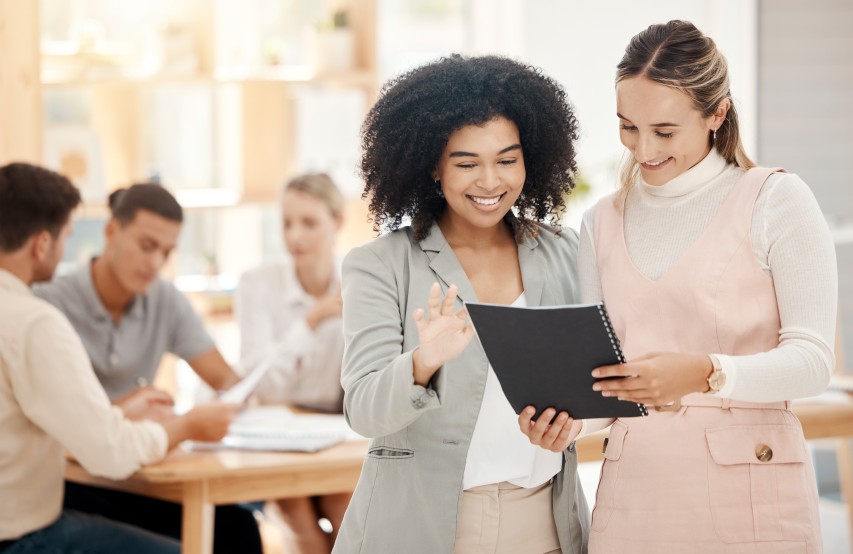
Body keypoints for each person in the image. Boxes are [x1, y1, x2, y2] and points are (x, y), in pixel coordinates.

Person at [519, 20, 836, 553]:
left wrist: (707, 373)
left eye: (665, 131)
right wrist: (568, 424)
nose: (643, 150)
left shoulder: (776, 200)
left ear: (718, 113)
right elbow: (605, 383)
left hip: (751, 496)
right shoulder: (600, 221)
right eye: (627, 127)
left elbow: (812, 362)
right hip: (636, 496)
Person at [333, 54, 588, 554]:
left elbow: (600, 379)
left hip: (547, 523)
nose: (490, 182)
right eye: (466, 163)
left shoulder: (566, 252)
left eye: (507, 160)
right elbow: (362, 410)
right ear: (432, 164)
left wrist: (575, 420)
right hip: (422, 527)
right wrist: (424, 361)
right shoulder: (380, 264)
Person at [0, 162, 239, 554]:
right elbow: (109, 451)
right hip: (28, 532)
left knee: (233, 527)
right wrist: (188, 425)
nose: (156, 262)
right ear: (43, 244)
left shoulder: (163, 300)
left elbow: (226, 378)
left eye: (166, 251)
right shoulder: (38, 318)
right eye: (66, 237)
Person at [236, 172, 350, 553]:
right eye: (286, 223)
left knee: (347, 511)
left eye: (309, 223)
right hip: (275, 439)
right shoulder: (257, 284)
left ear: (338, 222)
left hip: (338, 435)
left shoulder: (359, 280)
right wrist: (311, 321)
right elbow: (259, 385)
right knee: (297, 515)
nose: (295, 236)